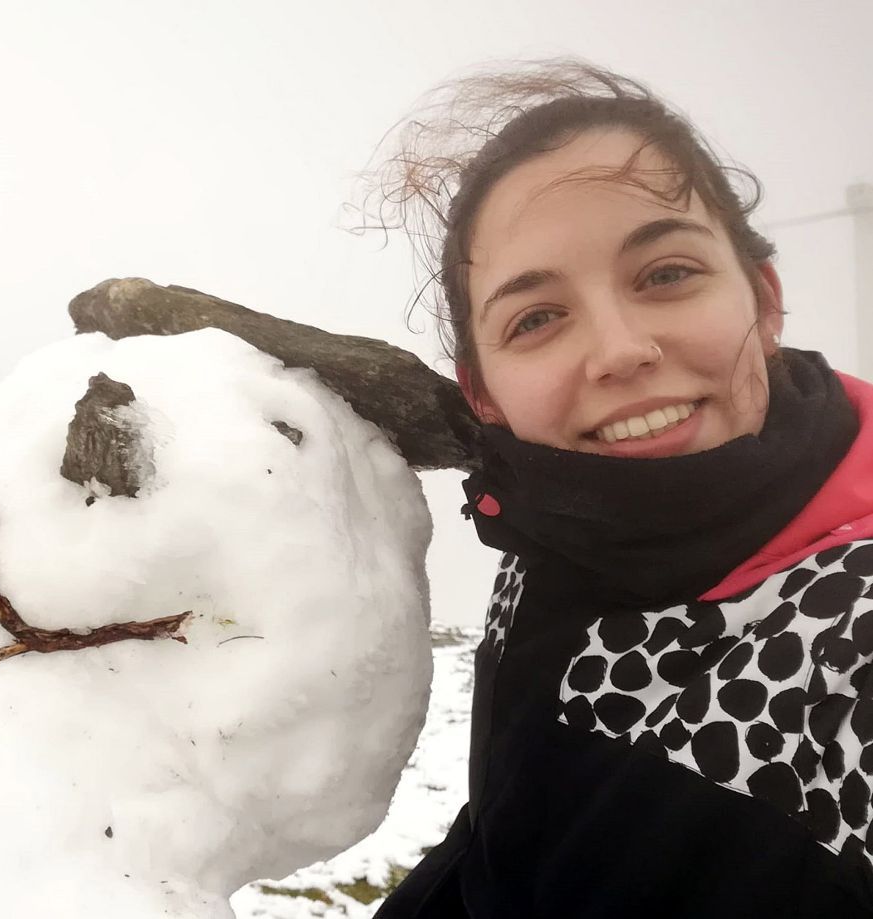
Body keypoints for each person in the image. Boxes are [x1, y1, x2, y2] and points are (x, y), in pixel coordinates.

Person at [368, 60, 873, 918]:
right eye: (536, 318)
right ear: (482, 390)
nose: (619, 349)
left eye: (665, 273)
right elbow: (505, 836)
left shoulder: (847, 636)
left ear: (763, 297)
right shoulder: (548, 531)